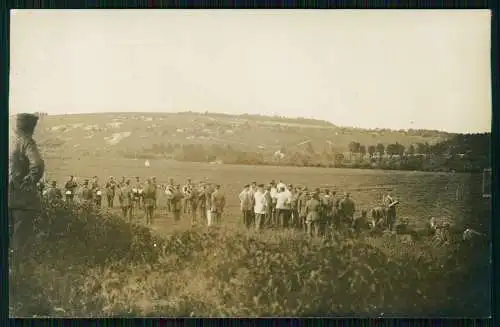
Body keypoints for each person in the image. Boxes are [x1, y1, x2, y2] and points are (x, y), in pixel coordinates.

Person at [9, 113, 45, 273]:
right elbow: (37, 163)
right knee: (20, 239)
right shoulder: (26, 142)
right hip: (21, 199)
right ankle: (18, 276)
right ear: (31, 128)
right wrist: (29, 181)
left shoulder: (10, 141)